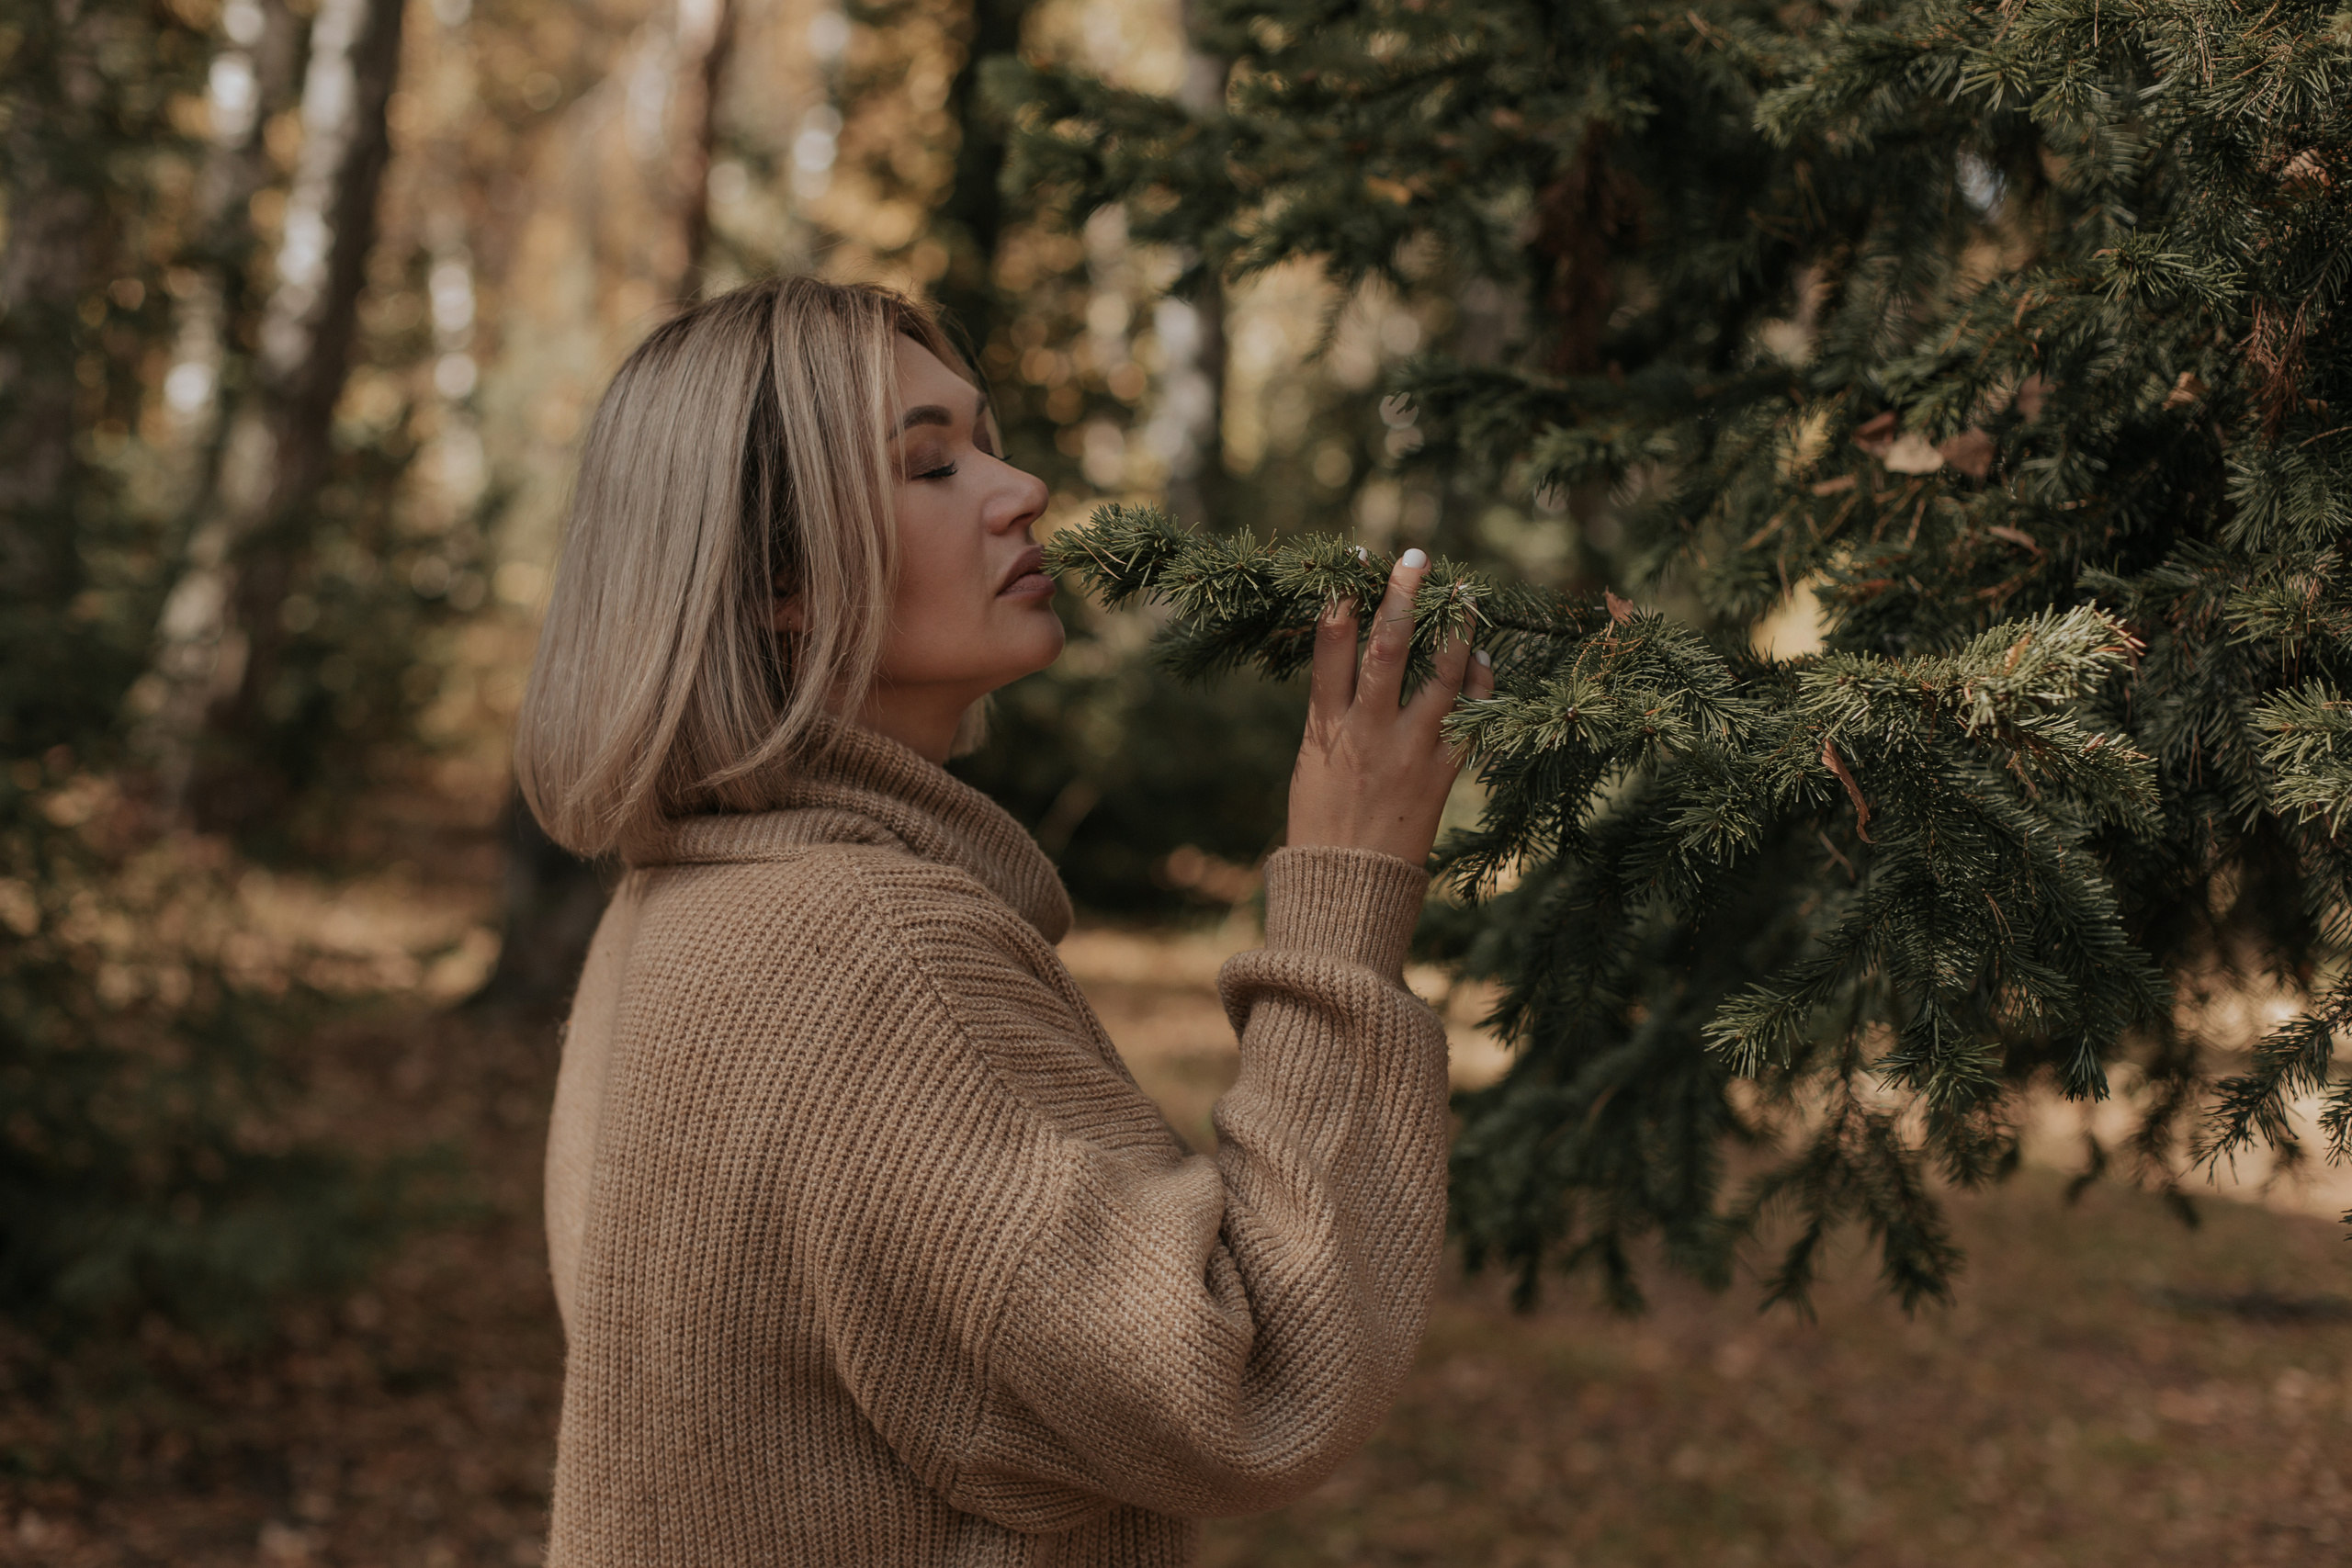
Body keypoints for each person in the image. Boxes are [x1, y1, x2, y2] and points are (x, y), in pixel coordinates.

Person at [513, 276, 1494, 1566]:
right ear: (778, 581)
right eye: (930, 465)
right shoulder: (861, 948)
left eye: (982, 438)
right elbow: (1244, 1381)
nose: (1017, 486)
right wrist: (1342, 895)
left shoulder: (686, 905)